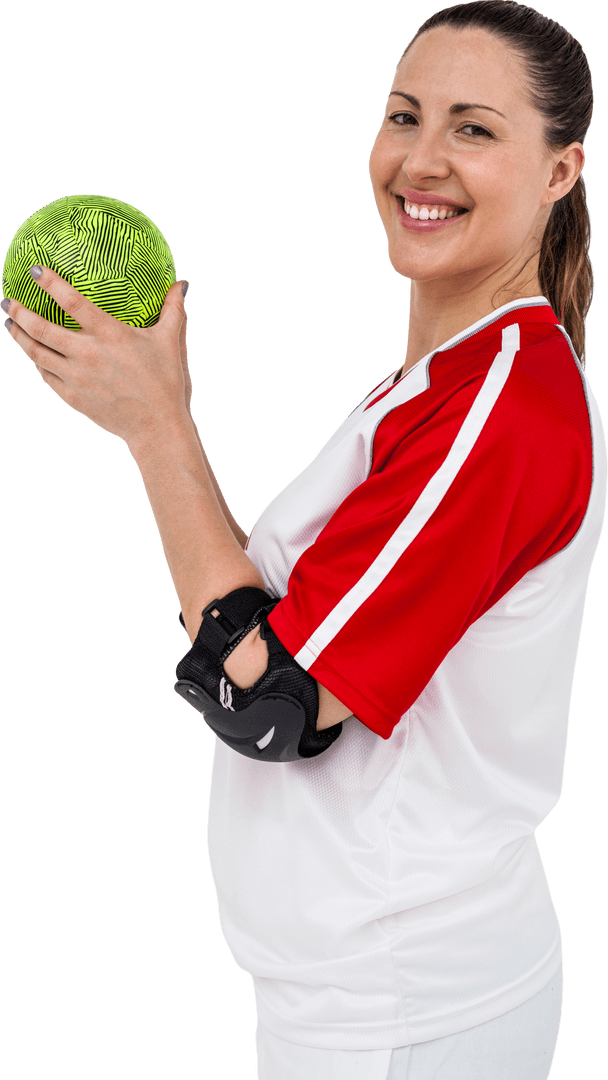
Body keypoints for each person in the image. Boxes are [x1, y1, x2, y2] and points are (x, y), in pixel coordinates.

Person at [1, 1, 605, 1077]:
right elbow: (278, 619)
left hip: (403, 1009)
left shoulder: (494, 412)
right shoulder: (436, 391)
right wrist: (163, 411)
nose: (419, 161)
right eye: (402, 116)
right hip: (359, 991)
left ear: (559, 173)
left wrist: (157, 427)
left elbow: (272, 700)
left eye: (473, 128)